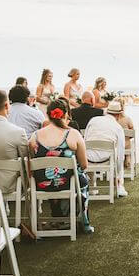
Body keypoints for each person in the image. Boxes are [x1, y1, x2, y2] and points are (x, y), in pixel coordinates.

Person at [29, 100, 93, 233]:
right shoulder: (73, 134)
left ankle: (59, 217)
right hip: (67, 183)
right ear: (66, 115)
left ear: (48, 115)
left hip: (41, 184)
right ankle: (84, 223)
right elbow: (84, 164)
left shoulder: (34, 137)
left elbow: (31, 163)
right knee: (82, 178)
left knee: (51, 174)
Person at [85, 101, 128, 198]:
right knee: (118, 153)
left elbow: (85, 139)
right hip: (106, 159)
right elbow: (121, 154)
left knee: (89, 150)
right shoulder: (118, 127)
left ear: (107, 112)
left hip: (88, 158)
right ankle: (119, 186)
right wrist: (117, 170)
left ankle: (92, 186)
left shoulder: (93, 120)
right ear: (118, 115)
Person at [115, 98, 135, 168]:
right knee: (127, 141)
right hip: (126, 145)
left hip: (114, 145)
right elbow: (132, 134)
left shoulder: (111, 120)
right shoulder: (127, 119)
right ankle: (128, 159)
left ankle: (118, 162)